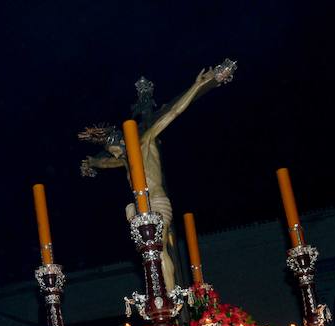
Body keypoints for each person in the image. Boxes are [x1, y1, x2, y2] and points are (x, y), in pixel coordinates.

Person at [79, 60, 236, 291]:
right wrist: (92, 162)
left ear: (123, 142)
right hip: (140, 209)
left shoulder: (145, 142)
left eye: (116, 150)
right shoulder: (125, 161)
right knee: (145, 249)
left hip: (159, 203)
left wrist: (198, 85)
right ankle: (157, 293)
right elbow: (105, 162)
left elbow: (173, 112)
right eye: (114, 153)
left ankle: (170, 299)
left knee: (158, 249)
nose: (117, 155)